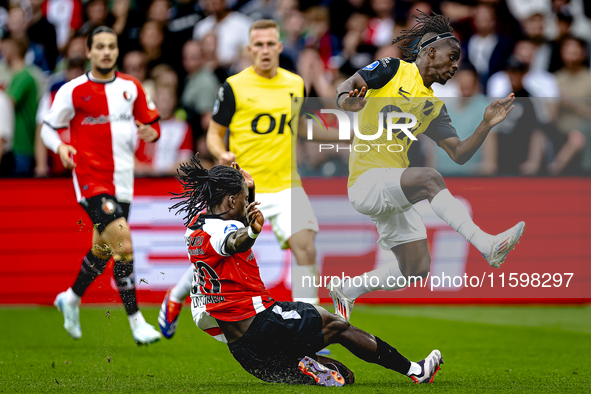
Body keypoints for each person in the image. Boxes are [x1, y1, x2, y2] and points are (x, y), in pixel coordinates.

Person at [169, 154, 444, 385]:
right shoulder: (226, 231)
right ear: (230, 201)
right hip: (264, 324)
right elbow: (233, 241)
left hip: (245, 352)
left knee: (345, 376)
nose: (246, 203)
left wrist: (248, 190)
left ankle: (305, 363)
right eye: (242, 198)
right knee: (337, 325)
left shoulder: (196, 227)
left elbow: (232, 223)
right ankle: (415, 370)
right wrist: (251, 232)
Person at [329, 12, 525, 321]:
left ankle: (348, 289)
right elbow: (347, 85)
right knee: (431, 178)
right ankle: (486, 244)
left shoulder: (434, 106)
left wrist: (486, 124)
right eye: (452, 57)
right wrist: (347, 102)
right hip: (366, 180)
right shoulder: (393, 69)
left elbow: (459, 153)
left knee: (416, 269)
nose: (455, 65)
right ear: (431, 51)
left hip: (390, 187)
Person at [158, 19, 323, 339]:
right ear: (250, 49)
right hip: (243, 188)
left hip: (287, 182)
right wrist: (221, 154)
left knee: (306, 247)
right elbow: (214, 135)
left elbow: (298, 127)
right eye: (257, 45)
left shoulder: (296, 84)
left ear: (279, 47)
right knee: (222, 255)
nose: (264, 50)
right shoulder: (234, 86)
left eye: (269, 44)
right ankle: (177, 295)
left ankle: (310, 330)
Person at [40, 26, 162, 344]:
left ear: (117, 51)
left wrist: (153, 132)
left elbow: (150, 122)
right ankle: (137, 323)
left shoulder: (131, 87)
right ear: (89, 51)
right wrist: (61, 147)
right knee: (124, 245)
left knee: (103, 249)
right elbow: (48, 128)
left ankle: (71, 296)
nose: (106, 51)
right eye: (100, 47)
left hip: (124, 180)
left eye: (111, 46)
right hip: (92, 179)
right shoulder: (73, 90)